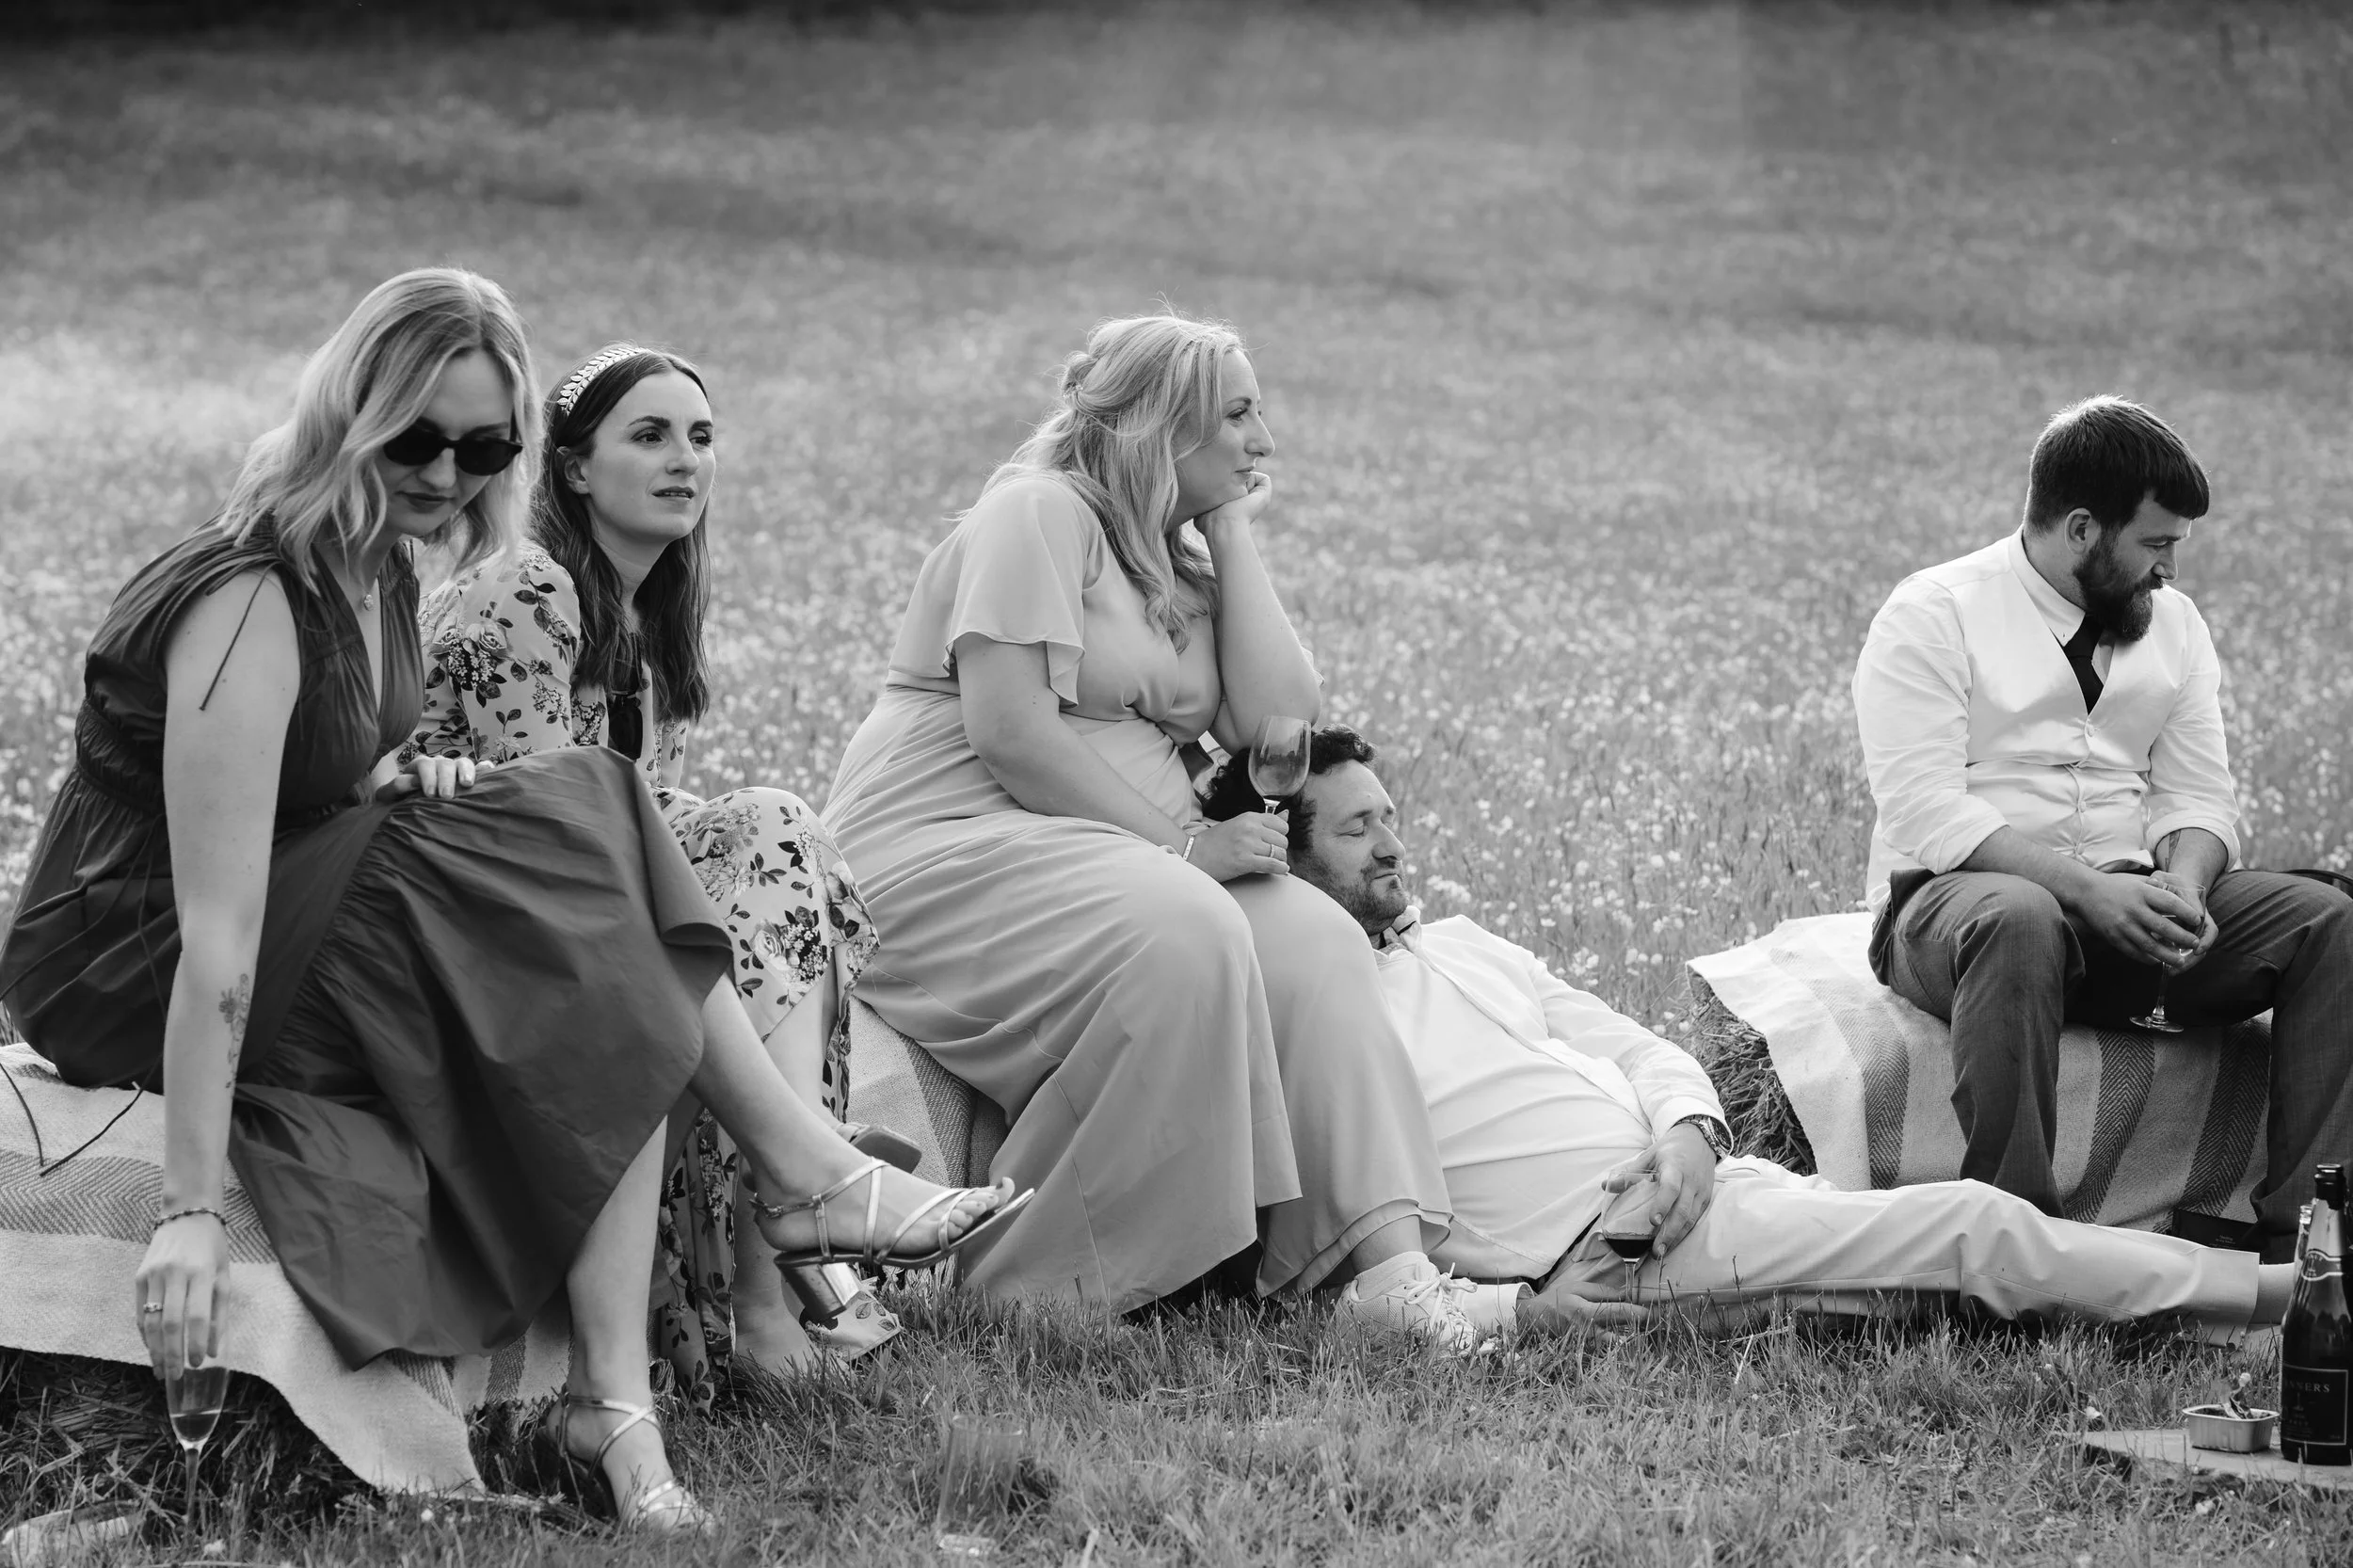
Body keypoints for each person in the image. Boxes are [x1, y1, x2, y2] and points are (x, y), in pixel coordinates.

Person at [0, 268, 1022, 1535]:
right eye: (419, 437)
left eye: (482, 446)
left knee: (597, 910)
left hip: (291, 901)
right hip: (128, 955)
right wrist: (193, 1210)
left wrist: (387, 774)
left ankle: (618, 1398)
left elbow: (299, 781)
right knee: (590, 819)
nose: (446, 472)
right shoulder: (253, 596)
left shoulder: (373, 573)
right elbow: (210, 924)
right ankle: (803, 1178)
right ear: (352, 413)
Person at [1204, 725, 2298, 1339]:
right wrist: (1525, 1313)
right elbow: (1356, 1289)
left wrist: (1687, 1133)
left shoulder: (1462, 943)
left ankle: (2184, 1305)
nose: (1392, 845)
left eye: (1392, 816)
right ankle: (2269, 1300)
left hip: (1707, 1190)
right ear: (1286, 863)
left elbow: (1642, 1048)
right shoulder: (1316, 1020)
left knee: (1919, 1266)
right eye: (1356, 830)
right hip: (1606, 1254)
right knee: (1971, 1223)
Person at [824, 312, 1471, 1349]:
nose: (1266, 437)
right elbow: (1011, 731)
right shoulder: (1036, 514)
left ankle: (1386, 1268)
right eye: (1240, 412)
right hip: (947, 839)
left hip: (1102, 853)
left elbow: (1275, 723)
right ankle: (1040, 1280)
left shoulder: (1173, 561)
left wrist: (1231, 532)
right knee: (1187, 921)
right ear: (1161, 425)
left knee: (1307, 936)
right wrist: (1181, 852)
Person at [403, 344, 893, 1391]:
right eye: (650, 435)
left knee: (767, 833)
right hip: (472, 928)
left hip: (581, 911)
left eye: (702, 437)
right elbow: (551, 830)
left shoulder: (642, 612)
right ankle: (790, 1244)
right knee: (762, 832)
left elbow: (635, 828)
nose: (686, 461)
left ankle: (789, 1234)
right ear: (574, 470)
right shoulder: (528, 588)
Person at [1850, 396, 2353, 1260]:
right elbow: (1927, 811)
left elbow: (2199, 797)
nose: (2169, 572)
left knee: (2329, 924)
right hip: (1956, 912)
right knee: (2020, 917)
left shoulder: (2179, 626)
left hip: (2127, 905)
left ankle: (2307, 1249)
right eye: (2155, 545)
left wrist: (2184, 888)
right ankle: (2017, 1246)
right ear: (2082, 528)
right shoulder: (1933, 612)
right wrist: (2090, 892)